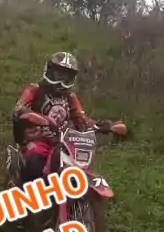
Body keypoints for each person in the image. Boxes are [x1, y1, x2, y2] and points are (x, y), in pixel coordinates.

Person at [12, 51, 108, 184]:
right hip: (39, 138)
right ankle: (25, 192)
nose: (61, 81)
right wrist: (39, 118)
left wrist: (105, 126)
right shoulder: (35, 89)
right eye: (58, 75)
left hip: (63, 142)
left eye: (66, 78)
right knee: (34, 167)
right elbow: (18, 108)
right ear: (49, 71)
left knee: (77, 170)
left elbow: (81, 118)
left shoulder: (70, 97)